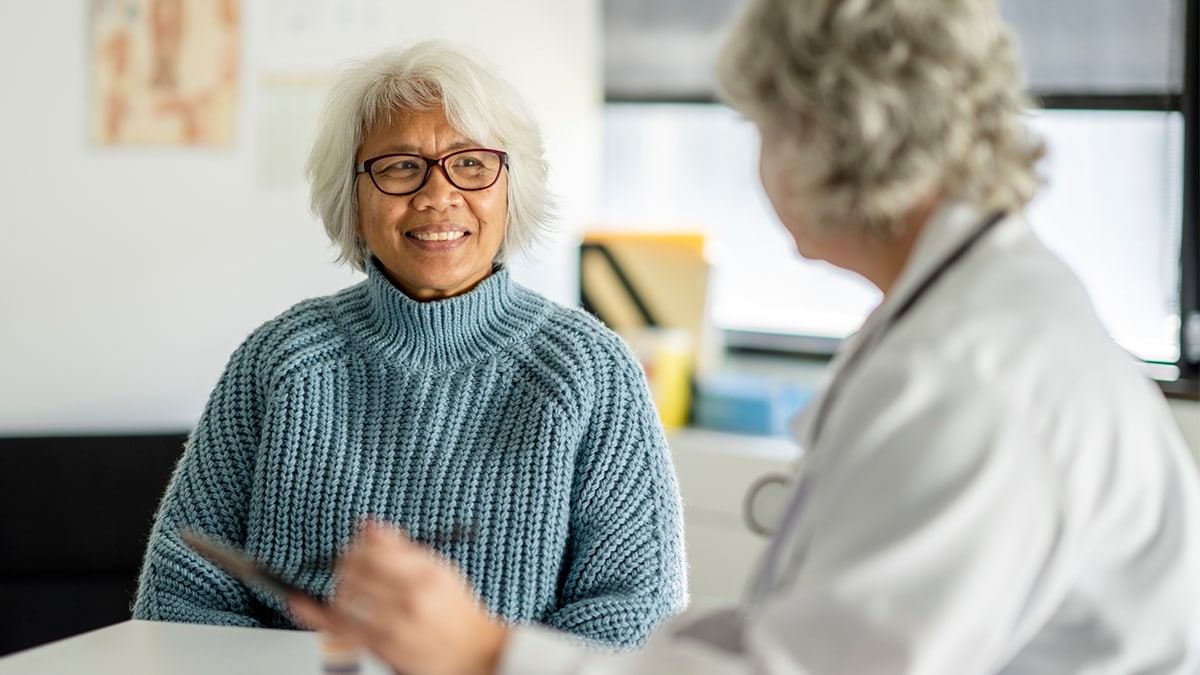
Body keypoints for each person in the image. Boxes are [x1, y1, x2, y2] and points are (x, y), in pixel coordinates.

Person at [289, 0, 1200, 673]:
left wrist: (489, 652)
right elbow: (803, 631)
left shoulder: (974, 374)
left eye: (761, 127)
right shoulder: (964, 322)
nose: (756, 162)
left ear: (835, 135)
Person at [132, 41, 687, 650]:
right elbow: (176, 600)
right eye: (400, 166)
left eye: (471, 164)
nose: (437, 195)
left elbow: (638, 614)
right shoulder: (280, 360)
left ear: (511, 188)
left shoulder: (590, 370)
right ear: (355, 199)